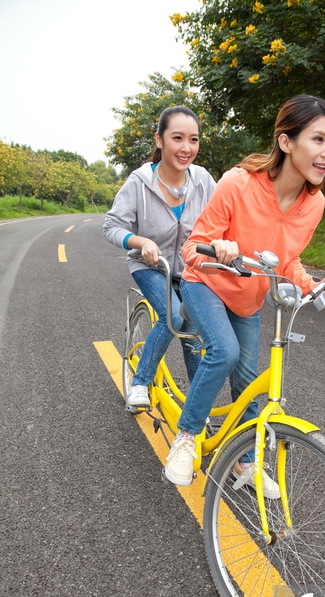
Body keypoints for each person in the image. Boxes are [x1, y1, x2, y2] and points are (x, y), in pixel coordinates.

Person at [164, 94, 325, 490]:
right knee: (224, 353)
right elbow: (192, 249)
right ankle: (186, 438)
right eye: (318, 139)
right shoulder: (238, 183)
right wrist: (222, 249)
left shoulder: (314, 204)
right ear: (285, 141)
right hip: (204, 285)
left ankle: (244, 462)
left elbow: (287, 260)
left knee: (247, 381)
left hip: (247, 299)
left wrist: (313, 283)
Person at [103, 106, 216, 407]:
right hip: (151, 267)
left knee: (192, 330)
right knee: (173, 315)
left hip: (191, 270)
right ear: (159, 140)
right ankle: (139, 382)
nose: (186, 148)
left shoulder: (203, 181)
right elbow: (112, 226)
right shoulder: (139, 183)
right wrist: (140, 241)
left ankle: (196, 405)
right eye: (177, 138)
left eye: (193, 140)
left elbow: (223, 218)